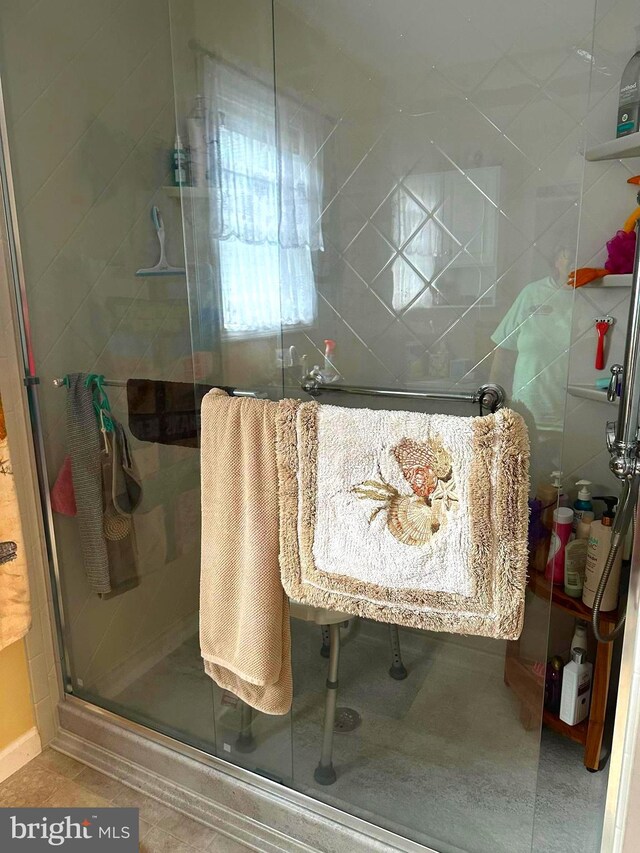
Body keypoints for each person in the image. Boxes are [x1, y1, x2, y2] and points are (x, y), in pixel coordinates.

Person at [489, 245, 574, 475]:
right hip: (527, 417)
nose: (574, 260)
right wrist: (494, 409)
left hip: (573, 422)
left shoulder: (594, 296)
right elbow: (503, 352)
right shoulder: (532, 294)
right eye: (568, 253)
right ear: (557, 260)